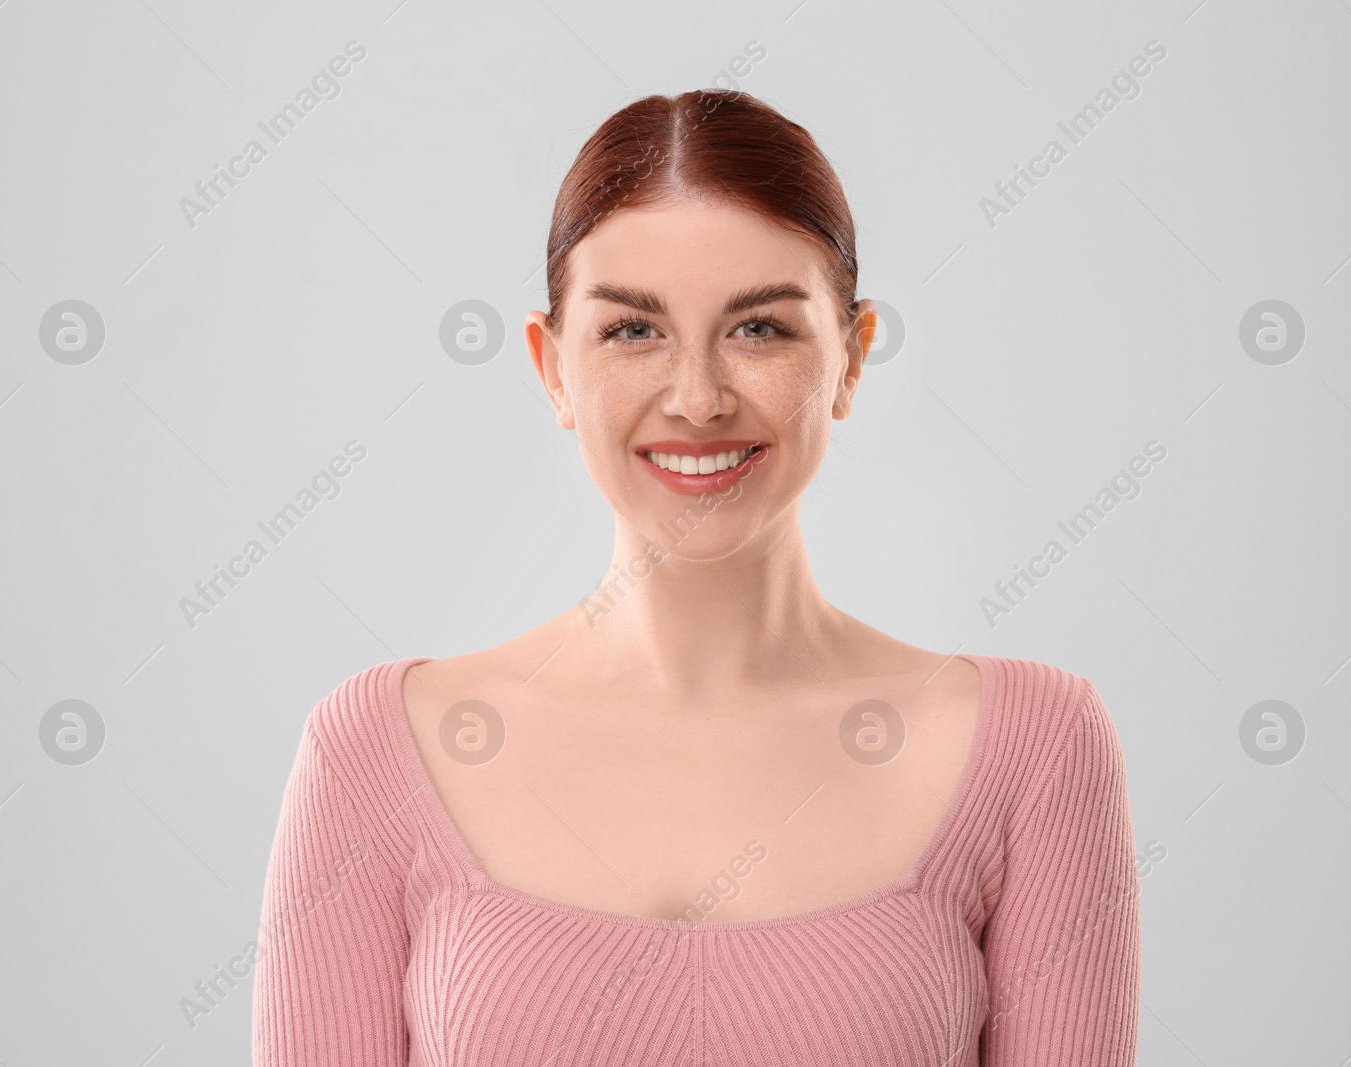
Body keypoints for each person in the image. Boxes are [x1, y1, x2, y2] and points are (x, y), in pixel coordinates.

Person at [252, 88, 1140, 1065]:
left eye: (759, 328)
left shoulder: (1033, 748)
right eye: (633, 330)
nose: (697, 396)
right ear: (552, 368)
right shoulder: (372, 753)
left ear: (850, 356)